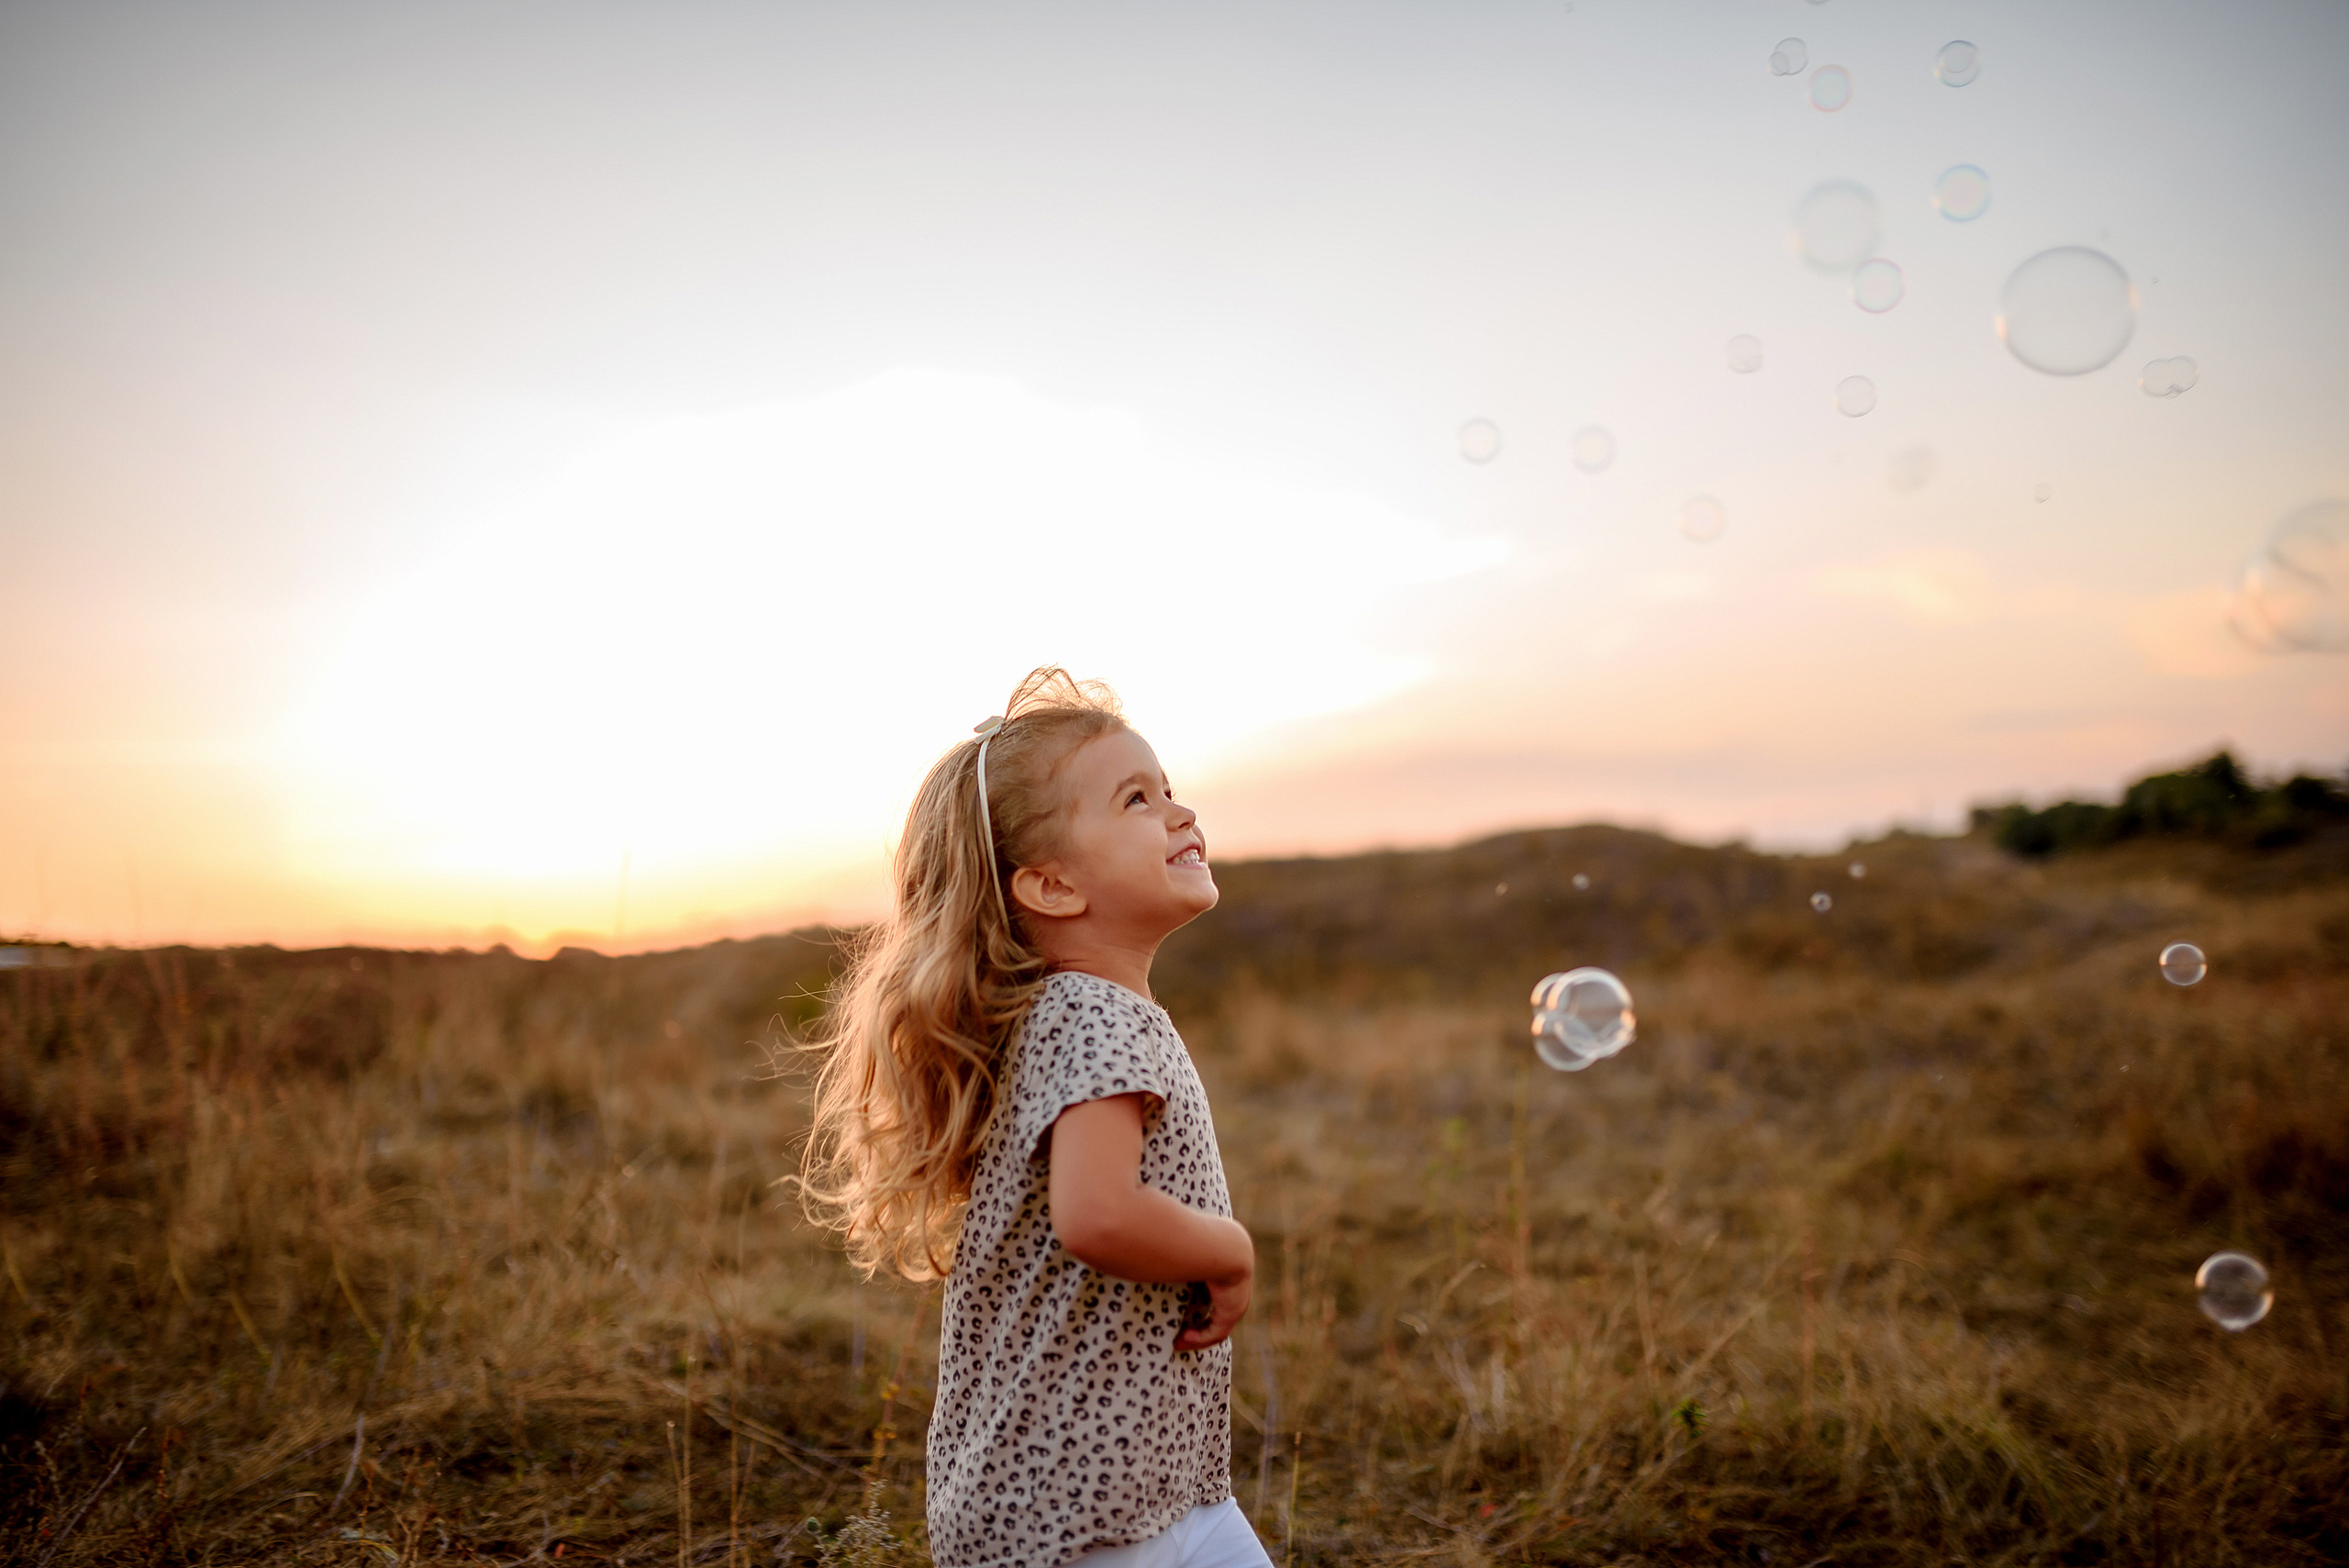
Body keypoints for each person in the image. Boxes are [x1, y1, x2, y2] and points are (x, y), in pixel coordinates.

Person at [800, 668, 1270, 1568]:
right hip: (1095, 1506)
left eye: (1169, 788)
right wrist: (1229, 1247)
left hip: (1098, 1489)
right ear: (1050, 887)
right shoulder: (1098, 1013)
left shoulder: (1057, 1011)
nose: (1180, 812)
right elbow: (1096, 1213)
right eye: (1137, 797)